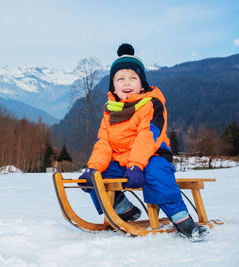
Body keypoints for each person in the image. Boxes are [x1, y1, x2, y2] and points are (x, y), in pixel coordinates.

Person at [78, 43, 209, 241]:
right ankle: (124, 209)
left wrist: (136, 166)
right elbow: (103, 142)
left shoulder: (151, 104)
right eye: (120, 79)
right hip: (122, 160)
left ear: (142, 83)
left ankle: (182, 219)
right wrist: (93, 168)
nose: (126, 83)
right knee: (98, 176)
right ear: (113, 85)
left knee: (156, 172)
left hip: (151, 155)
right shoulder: (110, 110)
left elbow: (147, 137)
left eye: (133, 78)